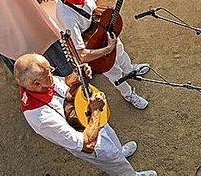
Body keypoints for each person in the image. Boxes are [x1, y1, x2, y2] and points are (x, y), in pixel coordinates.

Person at [14, 54, 156, 176]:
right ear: (37, 83)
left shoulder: (39, 83)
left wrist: (75, 76)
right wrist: (96, 111)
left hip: (87, 117)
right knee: (113, 161)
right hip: (91, 139)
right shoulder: (41, 118)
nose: (52, 72)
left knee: (112, 138)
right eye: (49, 73)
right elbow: (86, 144)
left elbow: (63, 84)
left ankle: (120, 152)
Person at [55, 0, 150, 109]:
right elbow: (82, 54)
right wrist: (107, 49)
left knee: (120, 52)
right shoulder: (67, 16)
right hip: (94, 47)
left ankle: (130, 70)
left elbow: (95, 0)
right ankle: (128, 94)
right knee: (114, 72)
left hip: (101, 31)